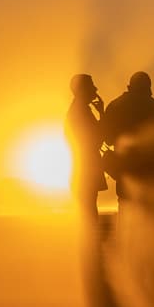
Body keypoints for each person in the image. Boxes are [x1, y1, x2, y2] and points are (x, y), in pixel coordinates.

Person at [101, 72, 154, 217]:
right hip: (152, 170)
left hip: (125, 170)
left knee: (127, 214)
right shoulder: (152, 105)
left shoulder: (115, 106)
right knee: (152, 214)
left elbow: (108, 139)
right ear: (147, 87)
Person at [64, 74, 108, 222]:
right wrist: (102, 113)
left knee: (87, 216)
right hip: (85, 173)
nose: (96, 89)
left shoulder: (78, 110)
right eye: (92, 86)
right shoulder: (81, 112)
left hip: (81, 172)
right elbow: (97, 140)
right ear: (83, 90)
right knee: (89, 218)